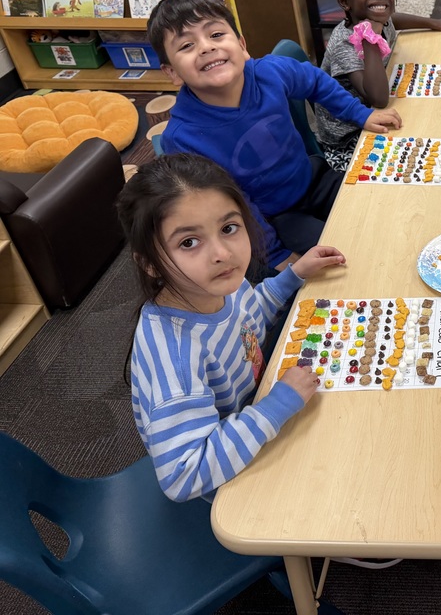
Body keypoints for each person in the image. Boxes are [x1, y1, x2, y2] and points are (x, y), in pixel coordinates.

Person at [117, 153, 346, 502]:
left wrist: (293, 277)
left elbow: (249, 318)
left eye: (228, 228)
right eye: (189, 242)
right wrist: (277, 405)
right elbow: (183, 476)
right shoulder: (176, 358)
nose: (222, 252)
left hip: (251, 416)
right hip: (227, 476)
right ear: (149, 264)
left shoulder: (221, 284)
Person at [147, 0, 401, 272]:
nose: (206, 47)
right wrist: (276, 255)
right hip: (274, 218)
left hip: (315, 178)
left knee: (382, 208)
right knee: (345, 255)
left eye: (216, 35)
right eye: (186, 46)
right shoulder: (182, 138)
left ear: (242, 45)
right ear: (171, 72)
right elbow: (227, 204)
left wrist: (361, 115)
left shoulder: (269, 71)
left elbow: (315, 81)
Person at [318, 0, 441, 172]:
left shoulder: (377, 18)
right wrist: (370, 40)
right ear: (344, 2)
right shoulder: (344, 44)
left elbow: (392, 19)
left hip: (375, 109)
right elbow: (378, 99)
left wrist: (434, 23)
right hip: (348, 138)